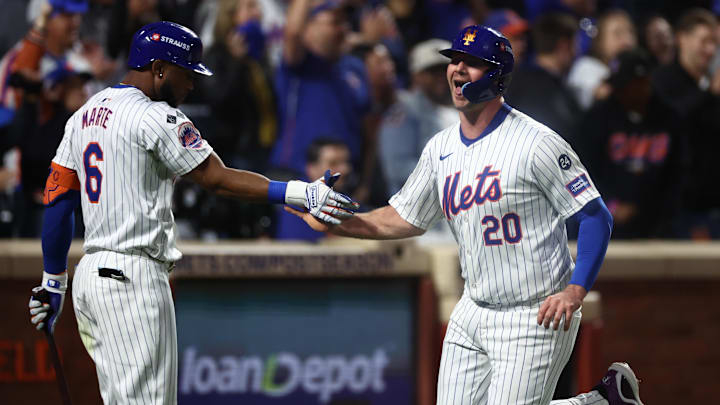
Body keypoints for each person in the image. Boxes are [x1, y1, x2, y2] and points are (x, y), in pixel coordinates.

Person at [288, 25, 644, 405]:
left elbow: (595, 216)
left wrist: (576, 290)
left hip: (533, 313)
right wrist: (339, 222)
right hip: (472, 308)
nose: (457, 69)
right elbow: (404, 217)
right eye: (454, 59)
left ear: (497, 74)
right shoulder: (440, 148)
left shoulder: (537, 142)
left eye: (472, 63)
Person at [26, 21, 357, 405]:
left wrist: (53, 281)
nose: (192, 85)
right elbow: (215, 178)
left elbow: (58, 199)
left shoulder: (83, 115)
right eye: (186, 73)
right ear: (159, 69)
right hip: (133, 279)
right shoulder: (154, 116)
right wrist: (298, 192)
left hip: (90, 280)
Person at [573, 49, 686, 238]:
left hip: (659, 226)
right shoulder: (597, 118)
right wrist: (610, 204)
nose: (621, 91)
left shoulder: (669, 119)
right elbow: (582, 170)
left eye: (629, 85)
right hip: (607, 224)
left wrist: (660, 212)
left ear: (645, 82)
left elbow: (678, 173)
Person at [651, 8, 720, 238]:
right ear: (682, 38)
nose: (710, 50)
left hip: (711, 204)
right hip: (678, 209)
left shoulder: (705, 87)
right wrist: (711, 93)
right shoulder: (661, 80)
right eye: (704, 41)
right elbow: (675, 120)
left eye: (714, 43)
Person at [504, 13, 582, 140]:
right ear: (564, 46)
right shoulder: (554, 92)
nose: (577, 52)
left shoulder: (514, 81)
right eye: (575, 44)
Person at [274, 137, 354, 241]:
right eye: (333, 163)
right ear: (311, 169)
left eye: (345, 162)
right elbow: (299, 250)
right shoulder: (297, 204)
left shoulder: (345, 199)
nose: (345, 169)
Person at [567, 9, 637, 110]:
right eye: (618, 33)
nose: (627, 38)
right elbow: (597, 97)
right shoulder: (586, 66)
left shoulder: (638, 69)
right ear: (600, 40)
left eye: (630, 31)